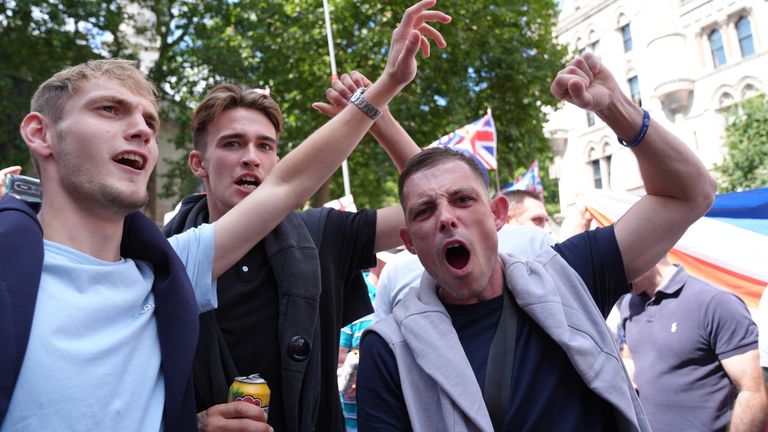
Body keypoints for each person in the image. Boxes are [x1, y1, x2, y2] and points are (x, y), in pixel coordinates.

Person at [0, 1, 447, 429]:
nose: (140, 130)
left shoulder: (163, 271)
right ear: (40, 133)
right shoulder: (21, 269)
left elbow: (291, 186)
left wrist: (385, 89)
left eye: (151, 123)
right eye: (109, 110)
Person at [356, 52, 717, 431]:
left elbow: (691, 193)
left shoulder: (569, 276)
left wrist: (616, 109)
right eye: (424, 211)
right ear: (409, 241)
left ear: (497, 215)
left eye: (463, 200)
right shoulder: (390, 349)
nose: (446, 217)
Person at [161, 2, 451, 431]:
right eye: (232, 144)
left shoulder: (323, 233)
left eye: (265, 146)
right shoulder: (162, 256)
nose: (251, 159)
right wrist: (194, 424)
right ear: (197, 163)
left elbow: (442, 198)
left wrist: (381, 120)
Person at [620, 258, 767, 432]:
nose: (615, 274)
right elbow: (630, 356)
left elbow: (752, 392)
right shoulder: (629, 304)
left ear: (647, 251)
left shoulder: (716, 302)